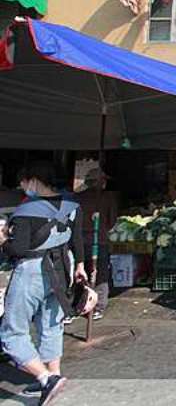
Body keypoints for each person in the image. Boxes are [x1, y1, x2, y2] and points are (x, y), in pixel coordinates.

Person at [0, 161, 88, 405]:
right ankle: (54, 374)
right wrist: (80, 266)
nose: (22, 187)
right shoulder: (72, 205)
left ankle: (45, 378)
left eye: (24, 182)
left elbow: (17, 250)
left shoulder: (27, 211)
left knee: (11, 331)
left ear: (34, 180)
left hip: (32, 272)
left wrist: (3, 240)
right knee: (51, 323)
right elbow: (77, 239)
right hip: (63, 269)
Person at [75, 168, 117, 321]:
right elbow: (112, 221)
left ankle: (78, 304)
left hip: (79, 240)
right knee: (100, 274)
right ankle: (97, 307)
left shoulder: (77, 198)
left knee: (80, 273)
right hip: (99, 240)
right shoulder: (108, 198)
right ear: (101, 182)